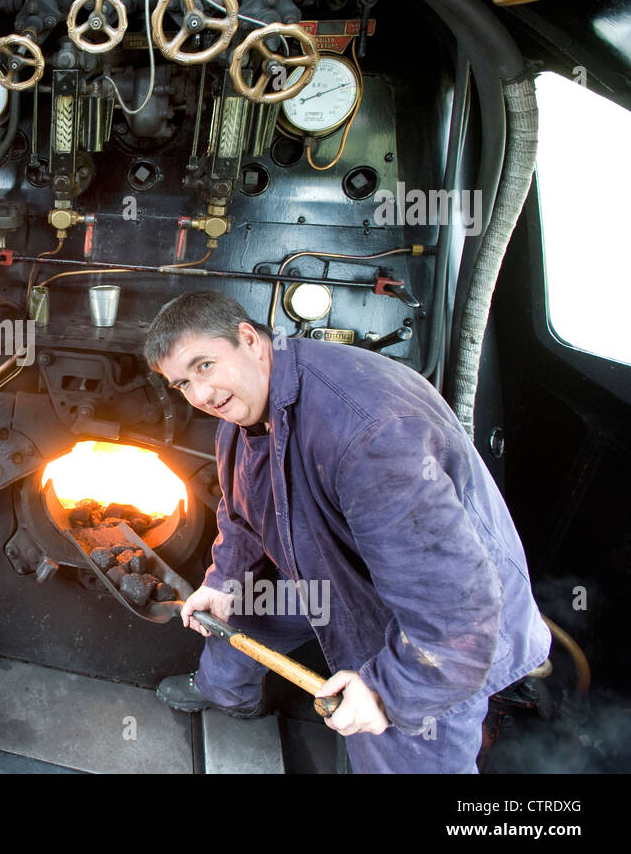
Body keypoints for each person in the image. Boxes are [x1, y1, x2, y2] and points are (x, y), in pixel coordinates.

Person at [144, 290, 551, 773]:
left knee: (399, 748)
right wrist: (221, 580)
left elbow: (452, 609)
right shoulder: (244, 410)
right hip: (335, 573)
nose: (200, 397)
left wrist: (385, 691)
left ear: (248, 339)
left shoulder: (368, 433)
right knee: (243, 609)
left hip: (434, 633)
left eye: (205, 366)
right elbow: (241, 513)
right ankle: (225, 692)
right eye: (182, 384)